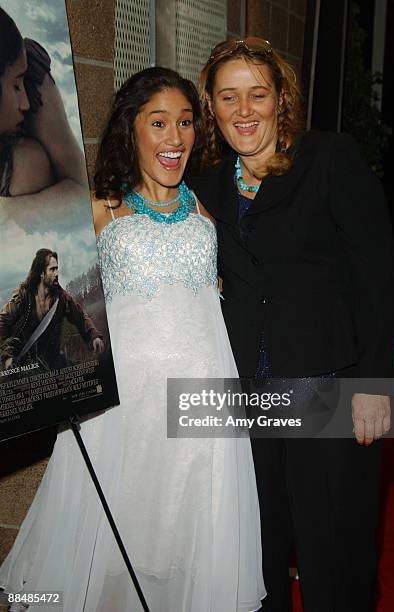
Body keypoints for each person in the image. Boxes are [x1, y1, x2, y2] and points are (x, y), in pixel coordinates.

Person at [0, 67, 265, 612]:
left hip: (200, 406)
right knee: (117, 543)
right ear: (132, 129)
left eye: (186, 123)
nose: (175, 138)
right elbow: (40, 282)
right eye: (160, 122)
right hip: (124, 413)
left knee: (186, 542)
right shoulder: (102, 209)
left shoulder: (203, 209)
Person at [191, 37, 394, 612]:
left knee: (334, 549)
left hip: (329, 389)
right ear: (210, 106)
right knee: (259, 551)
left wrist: (376, 384)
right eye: (228, 96)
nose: (243, 110)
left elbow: (379, 280)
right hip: (247, 403)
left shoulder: (331, 158)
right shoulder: (205, 184)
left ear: (280, 98)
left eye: (257, 94)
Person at [0, 6, 87, 224]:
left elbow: (81, 190)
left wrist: (8, 213)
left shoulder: (34, 81)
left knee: (26, 161)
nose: (26, 103)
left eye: (20, 83)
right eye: (15, 86)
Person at [0, 248, 104, 371]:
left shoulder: (61, 298)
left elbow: (80, 316)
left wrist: (94, 336)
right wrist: (7, 357)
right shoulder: (24, 296)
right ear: (41, 273)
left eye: (57, 268)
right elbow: (2, 321)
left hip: (52, 362)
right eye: (52, 269)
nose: (57, 273)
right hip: (23, 363)